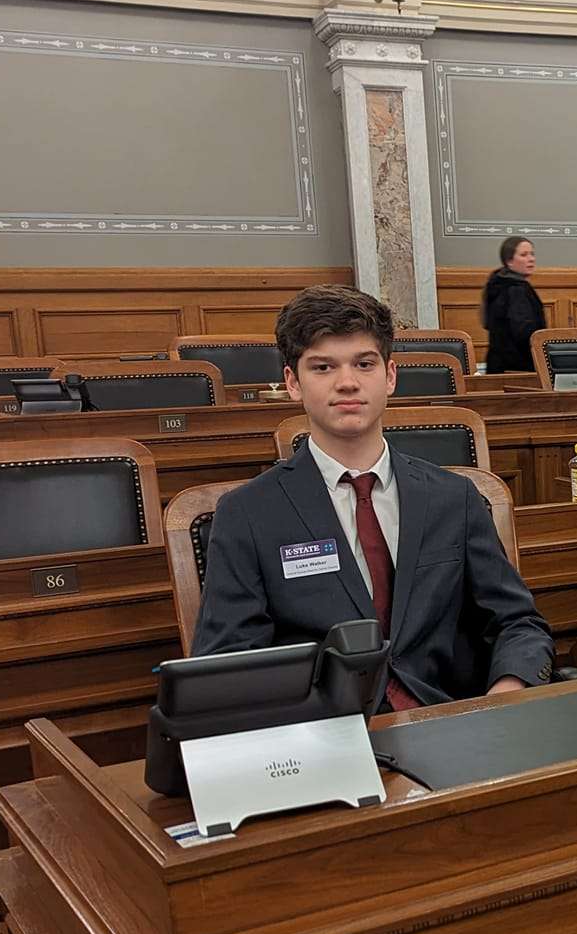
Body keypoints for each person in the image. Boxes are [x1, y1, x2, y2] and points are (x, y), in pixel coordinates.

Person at [194, 285, 554, 706]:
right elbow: (229, 664)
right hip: (325, 738)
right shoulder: (248, 513)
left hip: (450, 726)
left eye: (364, 364)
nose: (347, 383)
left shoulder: (453, 497)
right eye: (323, 367)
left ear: (390, 376)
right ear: (293, 383)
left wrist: (504, 697)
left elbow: (517, 622)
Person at [480, 235, 546, 375]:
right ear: (509, 261)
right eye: (524, 255)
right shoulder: (516, 289)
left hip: (497, 365)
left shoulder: (496, 284)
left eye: (532, 254)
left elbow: (485, 322)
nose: (531, 259)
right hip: (518, 370)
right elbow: (525, 333)